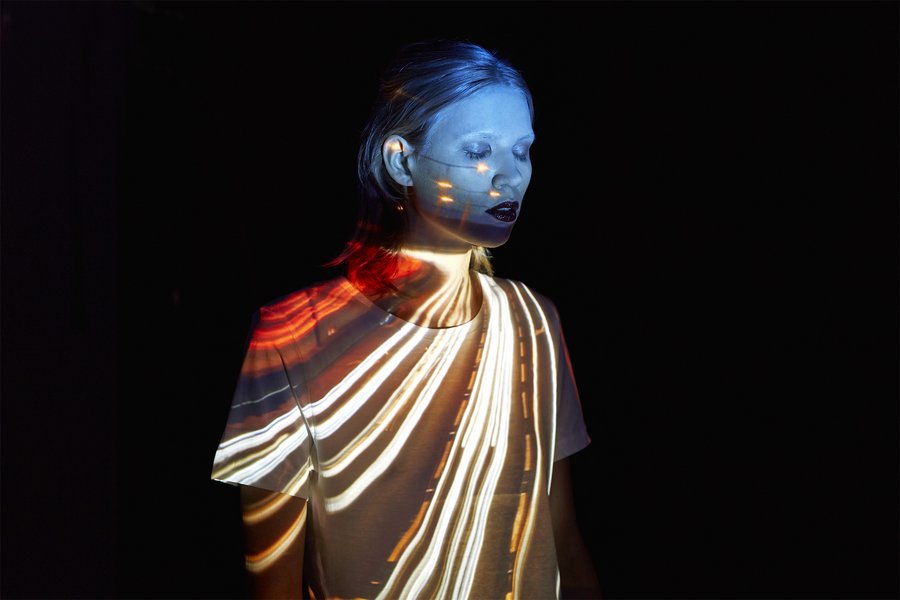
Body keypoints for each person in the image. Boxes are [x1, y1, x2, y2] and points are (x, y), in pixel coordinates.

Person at [211, 38, 602, 600]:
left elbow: (561, 534)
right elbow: (274, 577)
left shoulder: (533, 323)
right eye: (478, 149)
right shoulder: (294, 335)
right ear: (401, 161)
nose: (509, 177)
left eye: (522, 150)